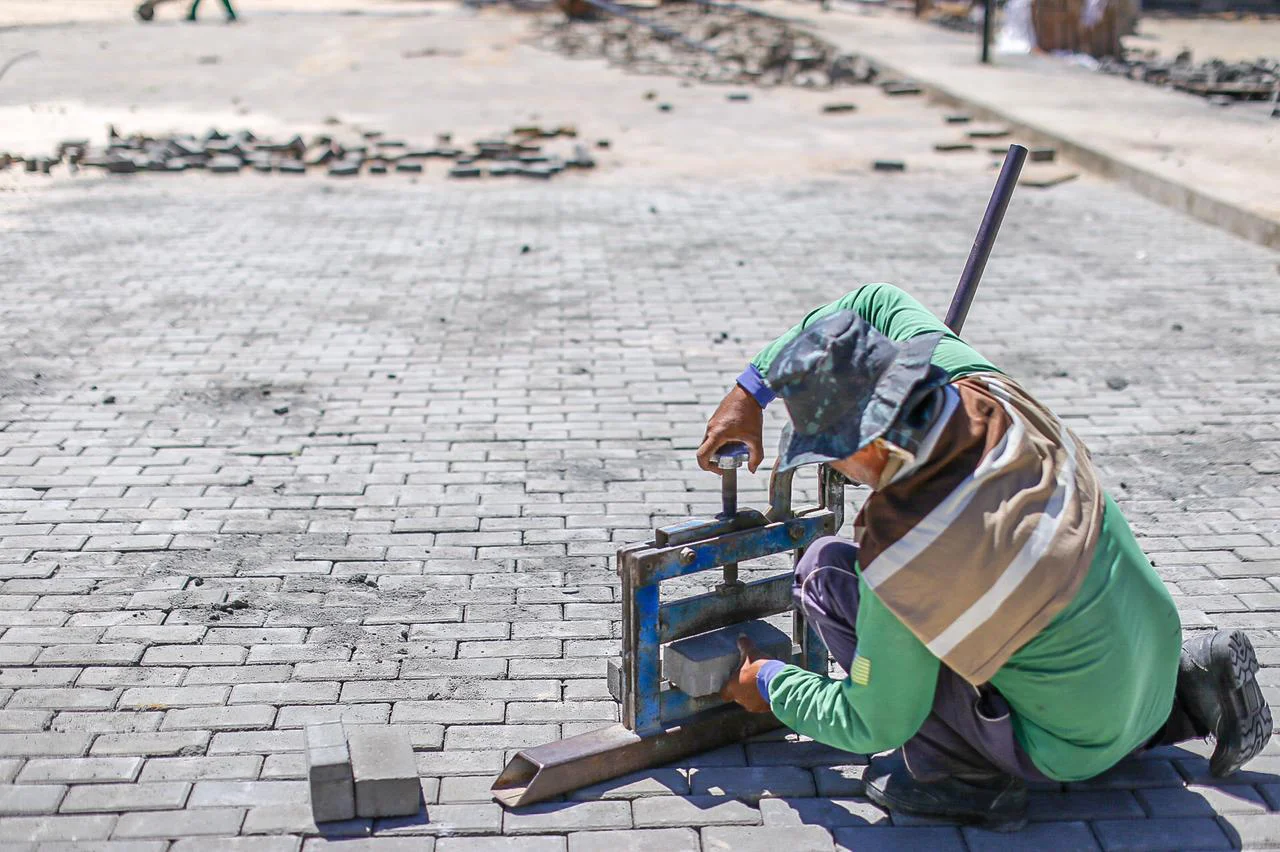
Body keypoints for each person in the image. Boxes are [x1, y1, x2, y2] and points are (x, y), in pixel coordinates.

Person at [702, 283, 1272, 831]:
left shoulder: (903, 552)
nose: (832, 470)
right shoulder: (984, 385)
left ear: (869, 445)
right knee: (1045, 628)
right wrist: (752, 387)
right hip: (1150, 658)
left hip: (1071, 749)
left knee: (825, 570)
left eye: (830, 455)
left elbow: (875, 721)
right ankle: (1191, 687)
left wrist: (774, 684)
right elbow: (872, 299)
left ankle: (961, 776)